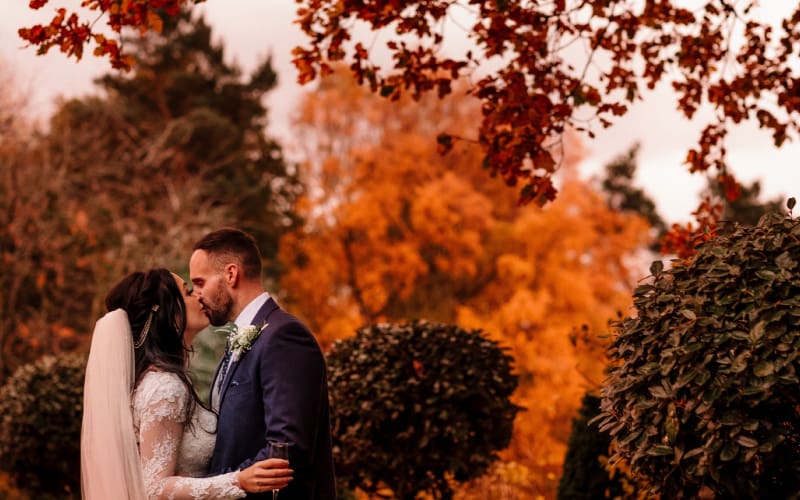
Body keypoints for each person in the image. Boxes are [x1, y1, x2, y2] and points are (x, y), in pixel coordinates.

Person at [81, 268, 294, 499]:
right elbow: (153, 488)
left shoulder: (158, 380)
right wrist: (238, 481)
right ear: (167, 311)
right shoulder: (165, 387)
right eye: (188, 292)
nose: (199, 296)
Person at [190, 228, 336, 499]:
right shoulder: (240, 340)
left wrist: (218, 488)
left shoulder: (284, 336)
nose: (196, 294)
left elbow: (287, 449)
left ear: (231, 274)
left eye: (200, 282)